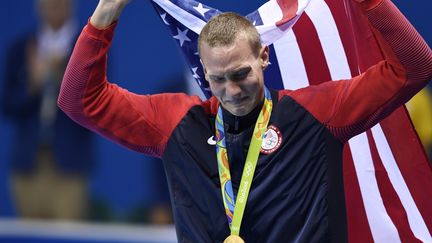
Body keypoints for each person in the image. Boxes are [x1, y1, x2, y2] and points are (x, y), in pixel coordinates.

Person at [58, 0, 431, 242]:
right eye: (217, 79)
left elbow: (415, 68)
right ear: (203, 71)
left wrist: (371, 3)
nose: (232, 91)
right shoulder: (178, 124)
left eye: (241, 74)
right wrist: (104, 16)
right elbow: (78, 100)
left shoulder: (317, 113)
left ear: (263, 58)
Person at [2, 0, 93, 220]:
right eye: (48, 3)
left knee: (66, 235)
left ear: (71, 5)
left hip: (69, 164)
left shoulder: (90, 46)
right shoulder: (21, 47)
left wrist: (64, 80)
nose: (53, 6)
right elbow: (8, 105)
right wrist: (33, 84)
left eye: (59, 3)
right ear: (38, 6)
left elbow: (96, 105)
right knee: (30, 235)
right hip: (28, 164)